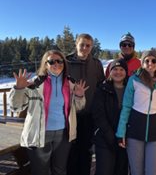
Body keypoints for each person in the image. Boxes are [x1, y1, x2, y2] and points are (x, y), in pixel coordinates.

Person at [9, 50, 88, 175]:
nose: (56, 64)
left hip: (63, 134)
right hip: (40, 134)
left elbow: (78, 108)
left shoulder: (71, 83)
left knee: (60, 170)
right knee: (41, 171)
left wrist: (79, 96)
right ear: (45, 64)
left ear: (64, 63)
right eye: (51, 61)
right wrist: (19, 89)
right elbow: (15, 107)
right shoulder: (34, 85)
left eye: (59, 61)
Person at [116, 50, 156, 175]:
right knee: (136, 171)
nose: (150, 63)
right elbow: (126, 107)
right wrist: (121, 132)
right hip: (135, 132)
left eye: (153, 60)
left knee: (154, 171)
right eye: (147, 60)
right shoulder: (134, 80)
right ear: (142, 63)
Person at [67, 33, 105, 175]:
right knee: (70, 150)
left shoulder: (96, 64)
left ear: (91, 47)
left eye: (88, 45)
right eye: (82, 44)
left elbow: (101, 85)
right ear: (76, 44)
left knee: (86, 149)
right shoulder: (67, 62)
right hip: (70, 114)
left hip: (89, 114)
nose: (84, 48)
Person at [92, 59, 129, 175]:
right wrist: (112, 137)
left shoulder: (131, 89)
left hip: (124, 139)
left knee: (121, 170)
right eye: (115, 69)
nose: (118, 72)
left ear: (126, 72)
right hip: (105, 139)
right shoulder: (102, 89)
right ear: (109, 72)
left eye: (121, 69)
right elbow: (99, 115)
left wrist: (124, 136)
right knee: (105, 170)